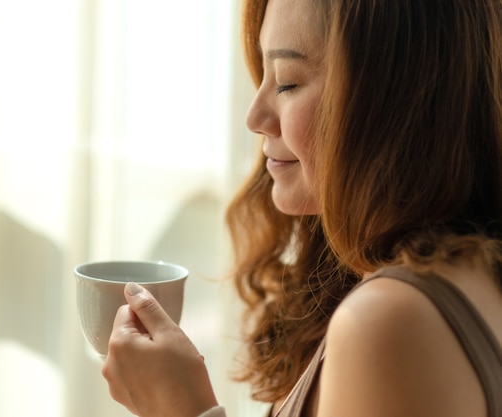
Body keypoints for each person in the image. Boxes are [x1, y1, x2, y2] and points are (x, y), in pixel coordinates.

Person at [101, 0, 502, 415]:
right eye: (264, 76)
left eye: (287, 82)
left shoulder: (391, 322)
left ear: (394, 98)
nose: (255, 116)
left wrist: (181, 408)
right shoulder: (460, 279)